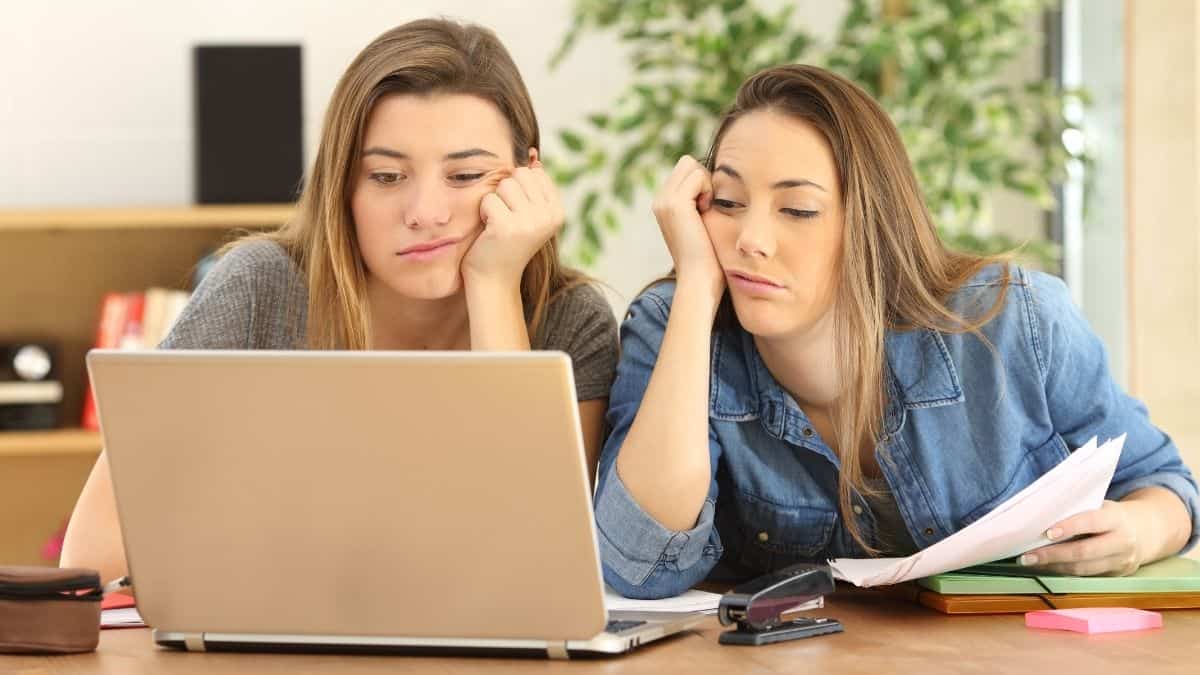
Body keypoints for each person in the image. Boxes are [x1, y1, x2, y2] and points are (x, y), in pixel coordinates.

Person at [595, 64, 1198, 599]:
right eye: (726, 201)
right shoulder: (673, 328)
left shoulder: (1020, 322)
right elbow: (642, 565)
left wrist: (1141, 531)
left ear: (871, 224)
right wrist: (698, 287)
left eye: (797, 210)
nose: (750, 239)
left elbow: (1166, 485)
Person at [61, 18, 618, 584]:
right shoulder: (260, 289)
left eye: (466, 174)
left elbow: (527, 563)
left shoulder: (570, 321)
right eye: (386, 176)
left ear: (529, 178)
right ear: (342, 188)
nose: (425, 211)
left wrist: (494, 284)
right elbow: (91, 558)